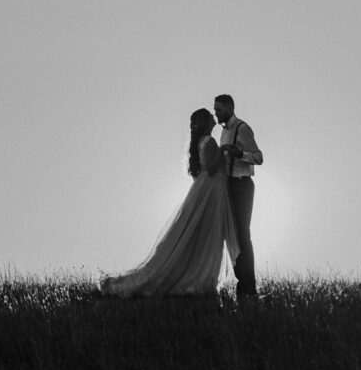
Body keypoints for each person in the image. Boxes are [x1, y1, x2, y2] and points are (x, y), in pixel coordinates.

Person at [100, 109, 239, 297]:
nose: (214, 118)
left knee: (204, 235)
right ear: (206, 122)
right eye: (210, 116)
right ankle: (202, 278)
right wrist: (223, 150)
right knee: (210, 235)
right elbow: (213, 169)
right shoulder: (210, 141)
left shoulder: (200, 142)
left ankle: (203, 277)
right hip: (212, 191)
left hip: (209, 190)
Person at [214, 94, 263, 298]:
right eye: (215, 110)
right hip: (228, 186)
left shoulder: (242, 128)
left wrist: (239, 154)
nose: (216, 113)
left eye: (219, 109)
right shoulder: (223, 133)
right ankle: (240, 281)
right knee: (232, 234)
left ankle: (248, 286)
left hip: (242, 186)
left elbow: (259, 157)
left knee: (243, 234)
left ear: (230, 108)